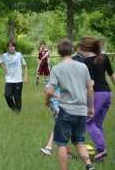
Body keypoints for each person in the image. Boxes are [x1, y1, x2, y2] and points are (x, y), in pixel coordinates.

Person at [45, 39, 94, 170]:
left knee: (61, 144)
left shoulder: (57, 68)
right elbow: (90, 88)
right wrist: (90, 108)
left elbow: (50, 90)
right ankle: (89, 166)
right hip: (82, 111)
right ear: (72, 50)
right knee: (79, 142)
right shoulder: (83, 66)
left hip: (66, 111)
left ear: (59, 52)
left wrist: (46, 100)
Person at [79, 36, 115, 162]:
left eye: (79, 49)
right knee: (97, 123)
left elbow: (91, 85)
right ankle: (101, 154)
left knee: (88, 121)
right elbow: (112, 76)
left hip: (97, 94)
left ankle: (101, 149)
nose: (78, 52)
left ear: (83, 49)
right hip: (108, 94)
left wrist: (89, 104)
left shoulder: (87, 62)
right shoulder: (103, 58)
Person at [41, 83, 74, 158]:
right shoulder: (57, 76)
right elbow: (46, 90)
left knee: (64, 127)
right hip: (57, 105)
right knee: (60, 127)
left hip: (65, 106)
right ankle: (48, 148)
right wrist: (57, 96)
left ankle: (64, 149)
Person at [0, 40, 27, 112]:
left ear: (15, 47)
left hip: (18, 80)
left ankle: (18, 113)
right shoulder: (4, 55)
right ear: (8, 47)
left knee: (17, 97)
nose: (11, 48)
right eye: (10, 46)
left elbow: (25, 65)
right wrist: (5, 69)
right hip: (9, 80)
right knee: (7, 95)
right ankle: (14, 109)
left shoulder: (19, 55)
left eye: (13, 46)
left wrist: (25, 76)